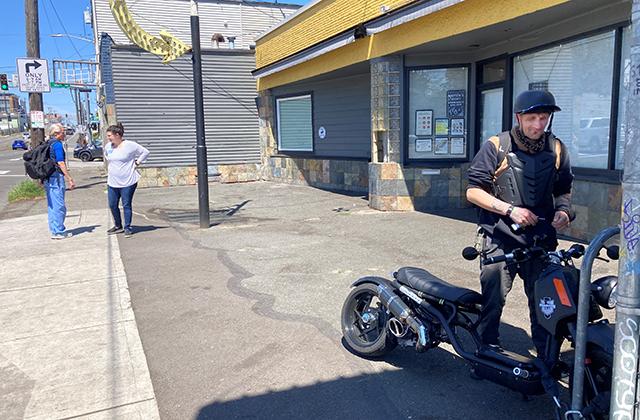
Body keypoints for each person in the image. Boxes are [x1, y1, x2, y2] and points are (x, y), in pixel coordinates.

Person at [466, 90, 574, 359]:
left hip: (540, 240)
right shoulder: (497, 145)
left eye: (544, 118)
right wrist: (510, 210)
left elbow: (564, 189)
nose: (538, 125)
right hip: (500, 238)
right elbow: (473, 191)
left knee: (545, 302)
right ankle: (486, 351)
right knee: (493, 300)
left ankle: (546, 357)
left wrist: (563, 210)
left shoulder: (557, 148)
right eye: (532, 118)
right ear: (519, 117)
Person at [104, 123, 149, 237]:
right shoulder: (108, 147)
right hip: (112, 181)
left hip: (128, 181)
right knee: (112, 204)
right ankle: (118, 225)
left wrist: (137, 162)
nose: (108, 138)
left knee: (126, 204)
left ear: (118, 135)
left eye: (110, 135)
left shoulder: (130, 145)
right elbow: (107, 157)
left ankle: (127, 227)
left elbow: (145, 152)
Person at [45, 123, 76, 240]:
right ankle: (59, 231)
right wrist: (69, 178)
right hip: (56, 177)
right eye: (63, 132)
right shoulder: (57, 145)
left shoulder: (48, 144)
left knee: (52, 205)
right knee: (59, 205)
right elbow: (61, 162)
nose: (65, 134)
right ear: (56, 134)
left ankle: (54, 229)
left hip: (48, 177)